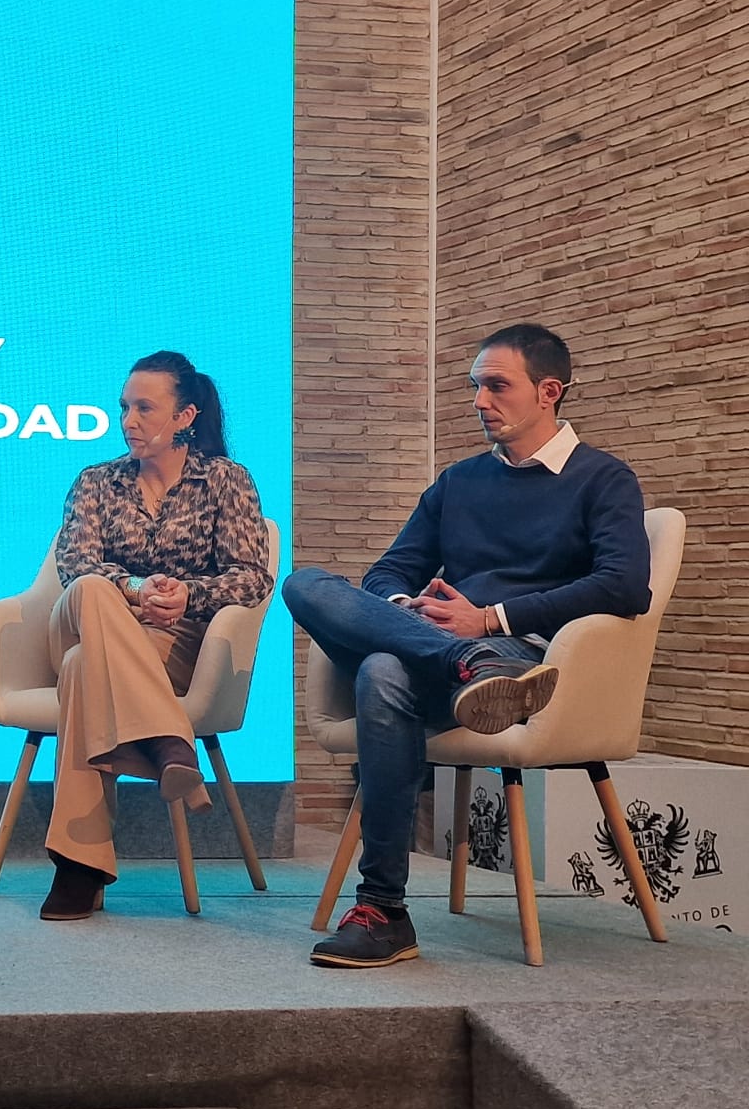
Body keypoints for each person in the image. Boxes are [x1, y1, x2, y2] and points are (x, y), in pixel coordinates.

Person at [286, 323, 651, 968]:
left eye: (495, 385)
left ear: (548, 391)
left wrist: (490, 621)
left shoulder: (603, 479)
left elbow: (624, 587)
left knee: (379, 671)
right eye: (474, 386)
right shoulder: (458, 482)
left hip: (523, 664)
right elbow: (387, 575)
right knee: (306, 585)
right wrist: (411, 615)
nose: (479, 400)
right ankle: (455, 663)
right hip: (456, 661)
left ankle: (381, 908)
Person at [37, 352, 273, 921]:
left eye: (145, 408)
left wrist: (189, 596)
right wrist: (139, 590)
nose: (129, 420)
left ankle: (80, 866)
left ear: (186, 415)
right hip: (86, 618)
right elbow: (75, 565)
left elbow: (252, 575)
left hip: (173, 644)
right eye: (124, 407)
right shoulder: (96, 480)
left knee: (80, 672)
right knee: (93, 588)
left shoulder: (225, 481)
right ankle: (171, 743)